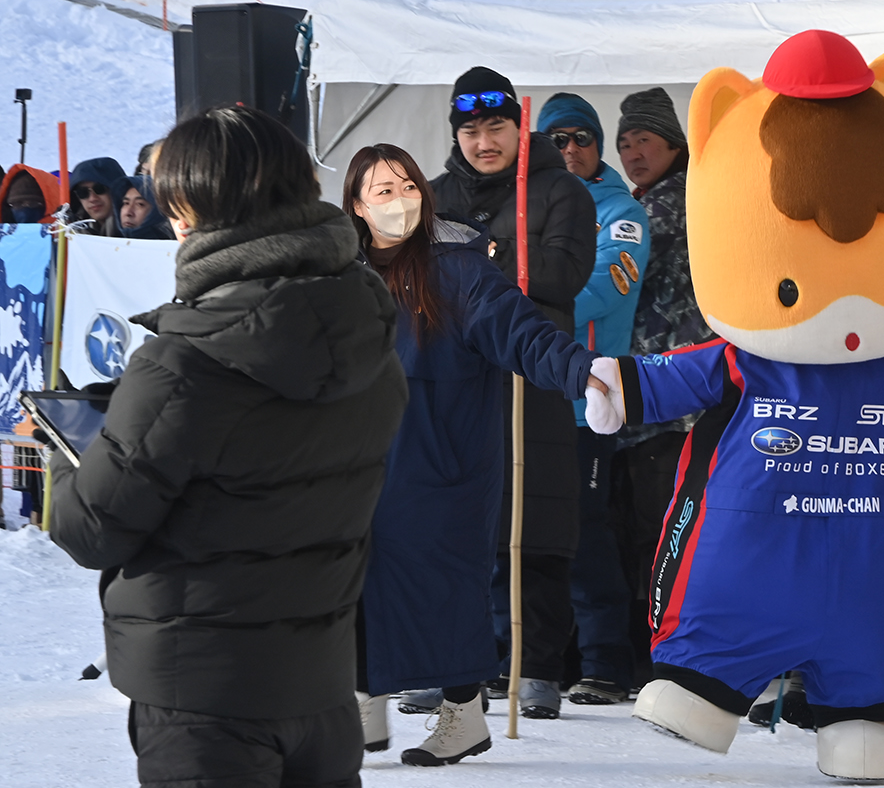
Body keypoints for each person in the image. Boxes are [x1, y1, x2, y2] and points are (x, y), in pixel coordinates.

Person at [48, 106, 409, 788]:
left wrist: (66, 464)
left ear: (200, 212)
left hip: (204, 699)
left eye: (176, 207)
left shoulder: (183, 366)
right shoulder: (371, 342)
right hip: (323, 688)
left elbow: (92, 528)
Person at [344, 143, 609, 765]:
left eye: (409, 186)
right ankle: (363, 704)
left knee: (446, 583)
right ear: (356, 206)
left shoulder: (458, 268)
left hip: (445, 458)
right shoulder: (341, 275)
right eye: (383, 191)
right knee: (354, 574)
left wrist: (584, 372)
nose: (401, 200)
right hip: (362, 460)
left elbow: (522, 331)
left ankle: (463, 714)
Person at [429, 67, 596, 719]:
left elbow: (564, 273)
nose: (483, 141)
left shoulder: (560, 190)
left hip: (532, 374)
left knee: (536, 522)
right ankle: (448, 661)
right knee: (452, 525)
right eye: (470, 130)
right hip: (455, 380)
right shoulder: (434, 195)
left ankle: (537, 665)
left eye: (496, 126)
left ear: (518, 128)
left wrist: (484, 253)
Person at [537, 92, 651, 705]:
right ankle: (534, 660)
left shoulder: (622, 212)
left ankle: (606, 664)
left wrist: (519, 306)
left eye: (582, 138)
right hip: (527, 397)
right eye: (558, 139)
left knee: (586, 530)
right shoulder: (526, 204)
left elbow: (606, 289)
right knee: (526, 533)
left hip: (589, 401)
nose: (571, 149)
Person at [611, 87, 717, 680]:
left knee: (662, 535)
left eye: (643, 140)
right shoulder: (671, 198)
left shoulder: (666, 205)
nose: (632, 153)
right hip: (669, 401)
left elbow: (608, 269)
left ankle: (667, 660)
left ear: (674, 143)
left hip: (668, 403)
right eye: (624, 144)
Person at [68, 156, 127, 235]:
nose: (92, 198)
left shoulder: (136, 231)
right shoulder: (70, 234)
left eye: (99, 189)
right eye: (82, 192)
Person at [110, 175, 173, 240]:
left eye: (140, 204)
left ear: (156, 211)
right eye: (126, 203)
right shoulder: (110, 241)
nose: (128, 213)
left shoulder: (171, 244)